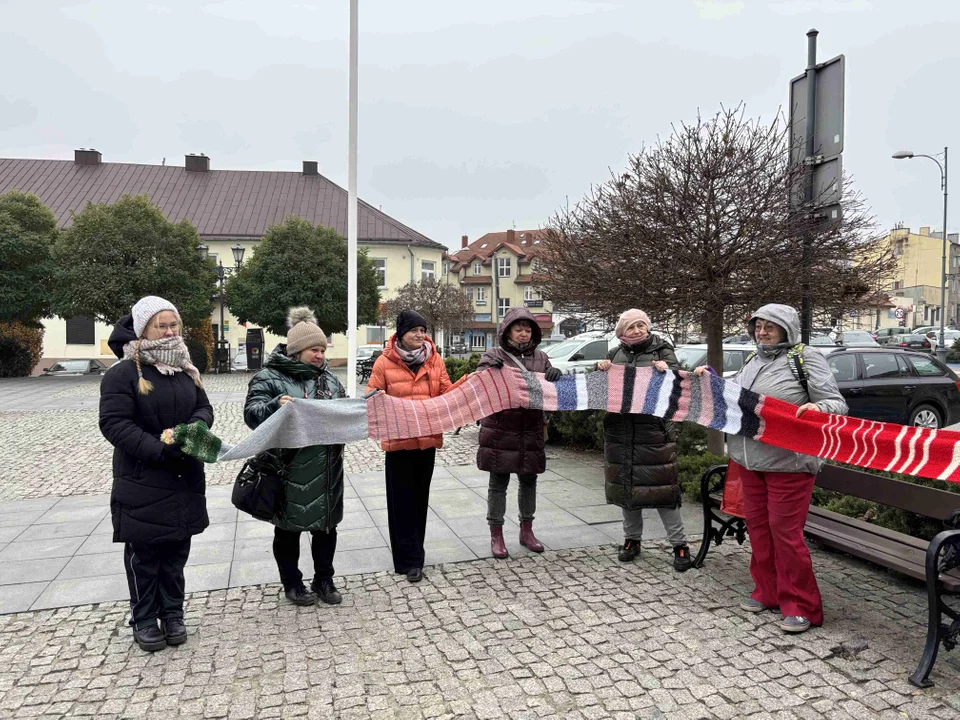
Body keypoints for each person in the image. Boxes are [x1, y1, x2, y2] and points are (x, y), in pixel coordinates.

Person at [694, 303, 847, 633]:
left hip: (789, 463)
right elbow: (736, 397)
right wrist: (713, 381)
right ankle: (767, 591)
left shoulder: (804, 358)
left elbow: (837, 404)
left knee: (785, 534)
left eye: (770, 327)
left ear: (786, 330)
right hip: (750, 461)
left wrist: (817, 407)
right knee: (760, 529)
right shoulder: (752, 360)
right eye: (758, 326)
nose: (762, 332)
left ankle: (801, 605)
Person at [99, 296, 213, 652]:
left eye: (173, 324)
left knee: (177, 552)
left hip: (183, 476)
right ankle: (145, 618)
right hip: (143, 477)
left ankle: (173, 614)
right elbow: (114, 423)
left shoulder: (184, 367)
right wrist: (157, 448)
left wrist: (193, 429)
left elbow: (204, 407)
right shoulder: (123, 373)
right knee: (145, 556)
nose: (169, 331)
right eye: (161, 325)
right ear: (143, 328)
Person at [244, 307, 347, 607]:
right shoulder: (270, 378)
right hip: (288, 469)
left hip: (328, 468)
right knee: (288, 529)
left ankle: (324, 579)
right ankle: (292, 582)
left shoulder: (328, 379)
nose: (320, 356)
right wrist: (276, 405)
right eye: (315, 350)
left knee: (327, 527)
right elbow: (252, 415)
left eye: (323, 350)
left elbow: (342, 410)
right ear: (298, 350)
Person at [367, 309, 465, 583]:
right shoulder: (384, 363)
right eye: (415, 331)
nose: (421, 336)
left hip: (426, 442)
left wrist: (469, 384)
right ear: (401, 333)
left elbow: (447, 394)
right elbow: (371, 398)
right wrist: (382, 401)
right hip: (399, 444)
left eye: (423, 331)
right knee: (400, 502)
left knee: (420, 500)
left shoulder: (435, 361)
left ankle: (415, 557)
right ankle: (406, 559)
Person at [596, 309, 692, 571]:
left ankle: (680, 544)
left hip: (654, 431)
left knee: (663, 490)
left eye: (641, 325)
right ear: (621, 333)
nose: (637, 330)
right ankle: (632, 540)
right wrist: (600, 367)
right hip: (621, 431)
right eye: (631, 327)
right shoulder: (615, 353)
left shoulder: (661, 349)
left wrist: (668, 370)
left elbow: (679, 383)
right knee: (626, 488)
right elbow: (600, 388)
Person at [476, 308, 562, 558]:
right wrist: (488, 370)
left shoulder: (542, 357)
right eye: (518, 329)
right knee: (498, 483)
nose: (524, 333)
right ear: (508, 331)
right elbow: (478, 385)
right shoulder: (493, 354)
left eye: (528, 329)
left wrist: (556, 376)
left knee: (529, 481)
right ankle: (497, 534)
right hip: (501, 429)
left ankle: (527, 531)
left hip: (530, 429)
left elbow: (551, 393)